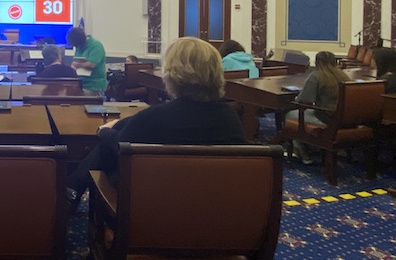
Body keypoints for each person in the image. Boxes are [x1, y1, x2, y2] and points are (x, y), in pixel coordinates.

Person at [66, 37, 246, 207]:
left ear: (172, 75)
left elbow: (120, 145)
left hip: (153, 210)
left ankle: (71, 189)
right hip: (213, 209)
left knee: (107, 144)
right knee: (121, 126)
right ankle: (73, 188)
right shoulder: (230, 119)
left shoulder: (154, 118)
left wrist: (104, 131)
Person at [285, 51, 350, 164]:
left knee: (290, 115)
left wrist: (295, 99)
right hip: (344, 119)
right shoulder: (343, 76)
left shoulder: (317, 75)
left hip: (326, 118)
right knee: (301, 115)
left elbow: (305, 100)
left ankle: (302, 153)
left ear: (317, 62)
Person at [67, 27, 107, 96]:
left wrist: (78, 65)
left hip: (94, 85)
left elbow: (92, 65)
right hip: (81, 83)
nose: (76, 47)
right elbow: (75, 61)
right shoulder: (79, 46)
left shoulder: (96, 46)